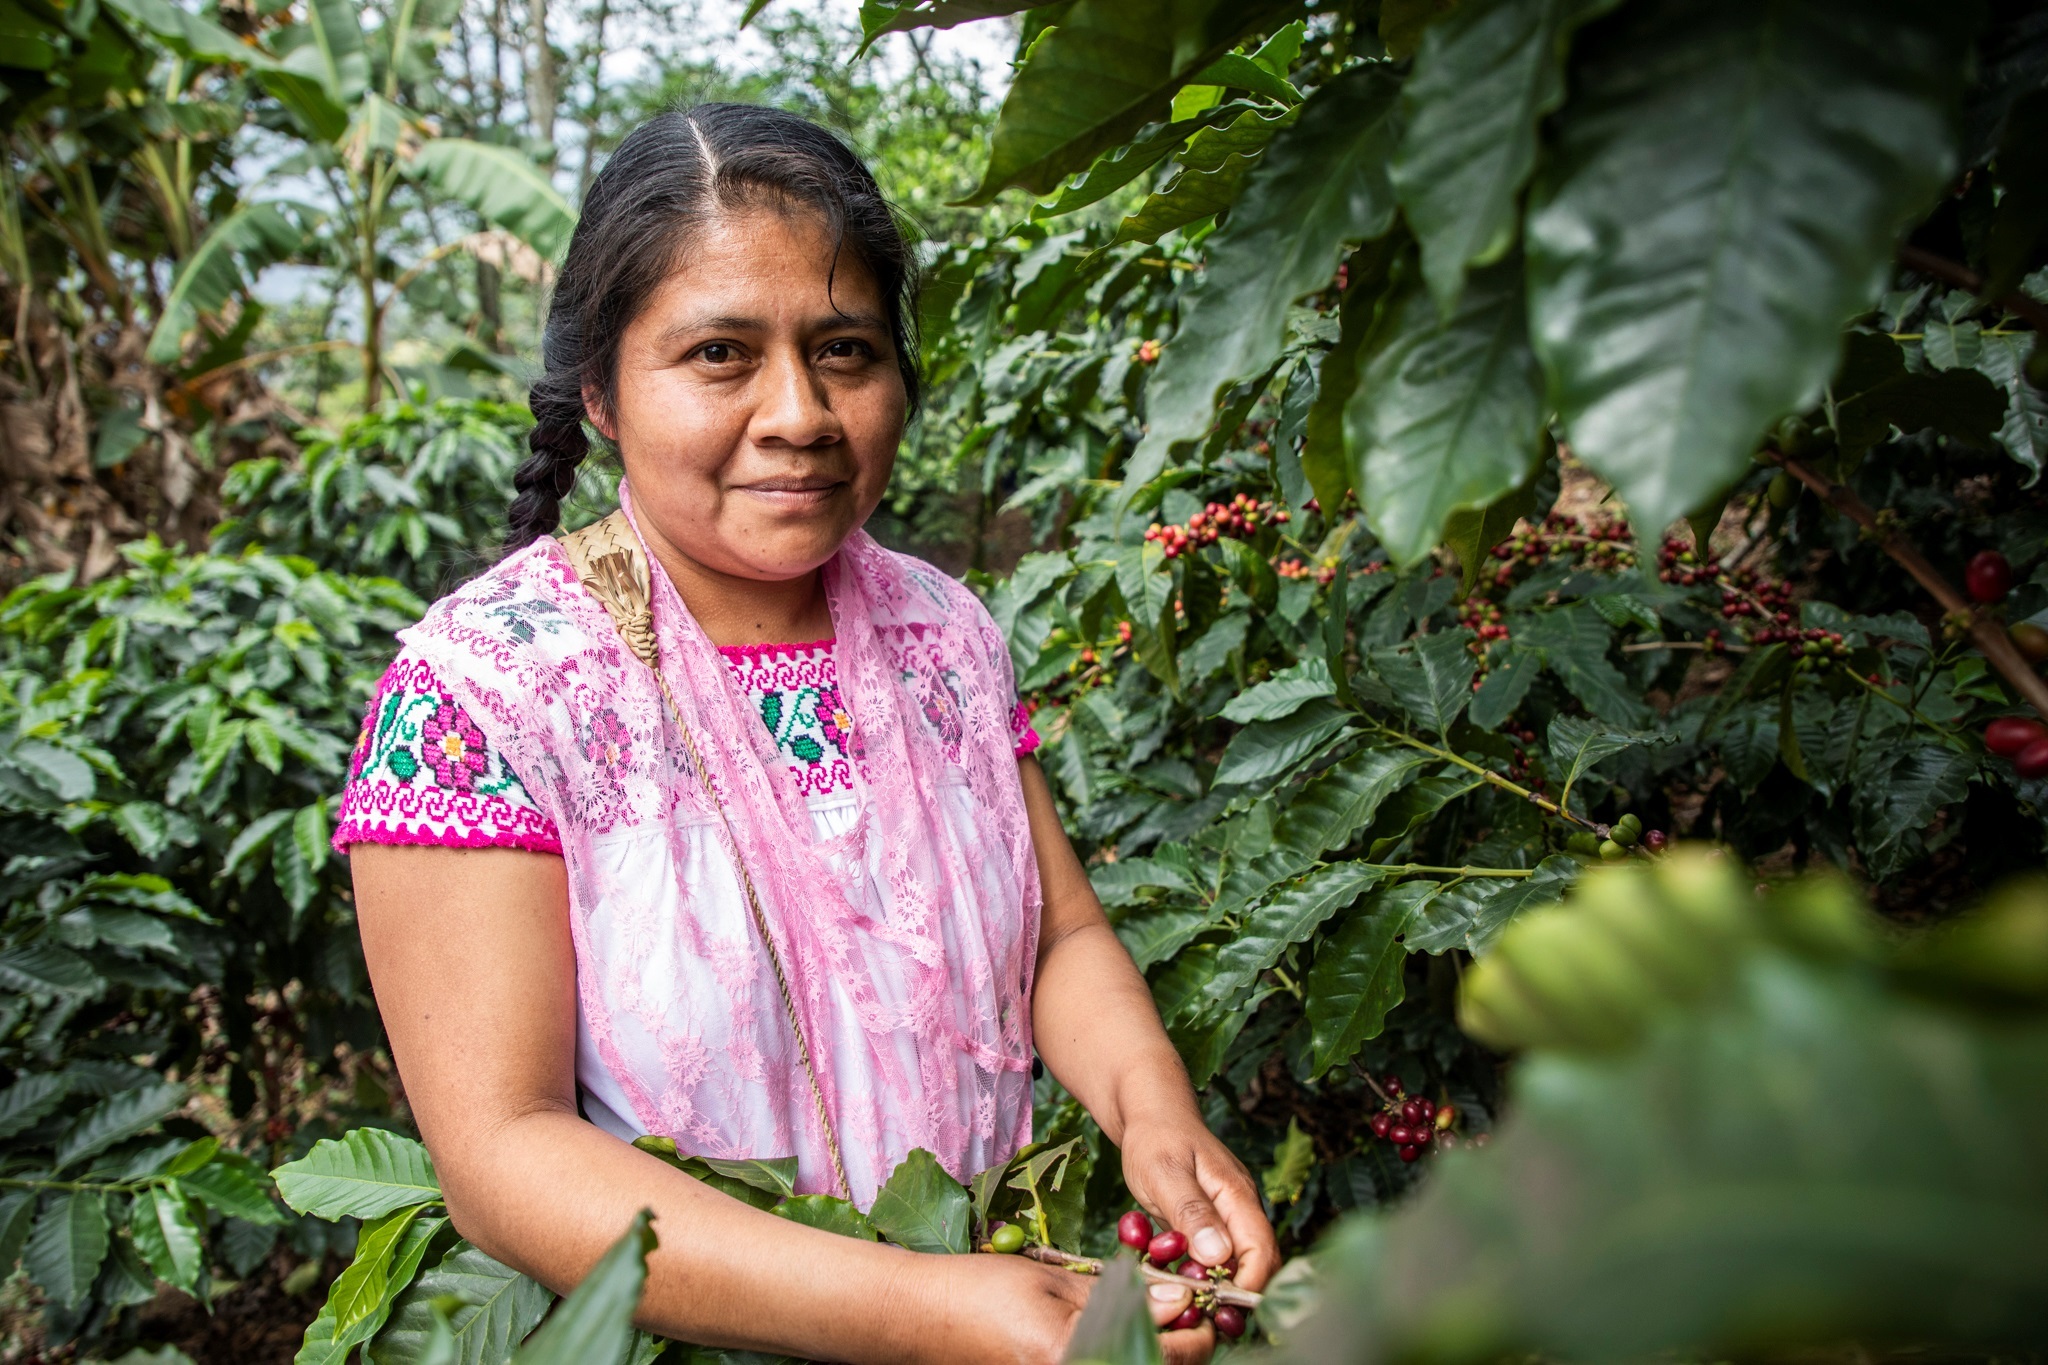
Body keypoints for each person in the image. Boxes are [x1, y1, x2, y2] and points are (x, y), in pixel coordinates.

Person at [335, 103, 1277, 1364]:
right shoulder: (486, 693)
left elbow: (1058, 936)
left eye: (842, 350)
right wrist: (926, 1311)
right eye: (719, 354)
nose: (800, 412)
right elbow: (504, 1155)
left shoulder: (942, 632)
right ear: (600, 393)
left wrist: (1152, 1111)